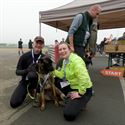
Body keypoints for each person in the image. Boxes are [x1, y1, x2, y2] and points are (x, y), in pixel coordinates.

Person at [53, 42, 93, 121]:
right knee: (56, 81)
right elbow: (62, 75)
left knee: (68, 115)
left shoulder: (76, 61)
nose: (62, 51)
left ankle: (81, 100)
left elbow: (84, 78)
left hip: (84, 90)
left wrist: (80, 93)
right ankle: (71, 98)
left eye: (64, 48)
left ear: (70, 49)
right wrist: (52, 70)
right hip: (73, 86)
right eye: (60, 49)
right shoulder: (65, 61)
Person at [10, 36, 45, 108]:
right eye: (37, 42)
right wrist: (27, 70)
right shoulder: (24, 56)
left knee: (33, 75)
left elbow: (48, 73)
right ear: (33, 44)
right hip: (25, 81)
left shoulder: (44, 58)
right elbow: (17, 72)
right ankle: (28, 90)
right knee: (14, 103)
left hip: (38, 83)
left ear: (43, 45)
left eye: (41, 43)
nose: (38, 45)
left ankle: (36, 91)